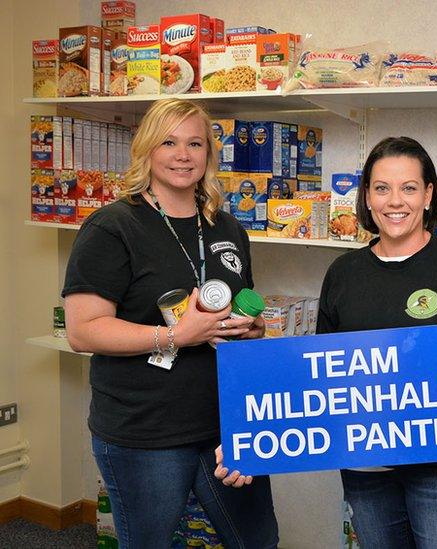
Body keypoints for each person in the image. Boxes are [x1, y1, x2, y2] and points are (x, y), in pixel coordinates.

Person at [62, 98, 279, 548]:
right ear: (146, 149)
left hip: (225, 427)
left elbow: (240, 308)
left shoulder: (226, 228)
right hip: (146, 431)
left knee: (258, 542)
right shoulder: (113, 227)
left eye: (195, 143)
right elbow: (83, 330)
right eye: (169, 141)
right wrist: (178, 335)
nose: (183, 154)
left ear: (208, 155)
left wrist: (249, 330)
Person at [316, 136, 437, 548]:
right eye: (381, 188)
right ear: (366, 197)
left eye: (408, 188)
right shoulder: (343, 273)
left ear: (428, 195)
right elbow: (325, 371)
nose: (394, 201)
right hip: (365, 468)